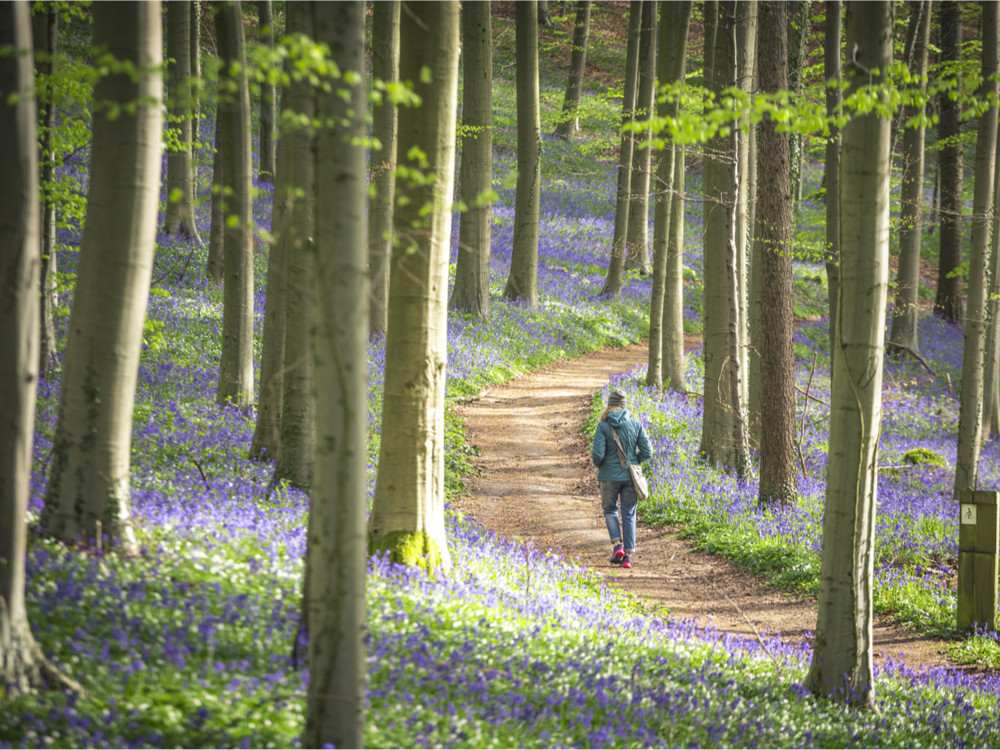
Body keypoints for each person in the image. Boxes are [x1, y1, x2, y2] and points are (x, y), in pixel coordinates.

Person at [591, 387, 652, 569]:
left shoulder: (603, 425)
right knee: (629, 514)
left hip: (608, 476)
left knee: (610, 510)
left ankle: (617, 545)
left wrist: (602, 465)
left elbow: (597, 456)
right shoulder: (635, 423)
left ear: (609, 405)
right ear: (625, 405)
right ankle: (628, 556)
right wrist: (634, 461)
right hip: (630, 477)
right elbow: (647, 451)